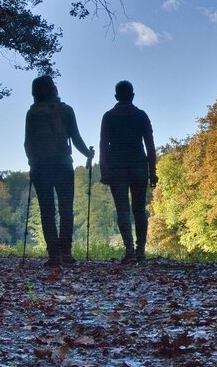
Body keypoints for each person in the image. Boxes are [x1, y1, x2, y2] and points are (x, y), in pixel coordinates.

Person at [24, 76, 94, 266]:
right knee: (66, 210)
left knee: (47, 212)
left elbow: (27, 142)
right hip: (63, 165)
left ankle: (54, 256)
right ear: (53, 89)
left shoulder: (32, 113)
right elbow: (76, 138)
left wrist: (32, 162)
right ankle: (66, 253)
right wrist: (88, 153)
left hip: (40, 167)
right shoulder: (66, 110)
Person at [99, 80, 157, 264]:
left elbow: (103, 146)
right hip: (139, 166)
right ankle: (141, 251)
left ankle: (129, 250)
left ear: (116, 96)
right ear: (132, 95)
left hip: (116, 167)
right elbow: (150, 146)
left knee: (122, 209)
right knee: (139, 209)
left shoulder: (108, 117)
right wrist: (153, 171)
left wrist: (104, 170)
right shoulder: (141, 116)